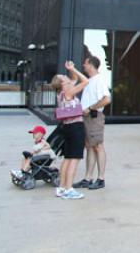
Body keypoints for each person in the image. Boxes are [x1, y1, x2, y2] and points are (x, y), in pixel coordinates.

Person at [51, 61, 90, 200]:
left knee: (67, 159)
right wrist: (73, 69)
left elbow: (75, 79)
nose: (66, 77)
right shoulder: (69, 91)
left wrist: (71, 70)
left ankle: (61, 187)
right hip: (75, 127)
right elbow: (85, 81)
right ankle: (69, 189)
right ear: (62, 83)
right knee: (74, 159)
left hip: (66, 127)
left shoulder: (61, 93)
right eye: (63, 77)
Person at [72, 56, 111, 190]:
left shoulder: (99, 80)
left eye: (85, 63)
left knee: (98, 146)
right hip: (87, 118)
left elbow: (106, 99)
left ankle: (101, 179)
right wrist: (73, 69)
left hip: (94, 117)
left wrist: (90, 108)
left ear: (91, 65)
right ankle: (87, 179)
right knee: (90, 146)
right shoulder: (90, 80)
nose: (83, 65)